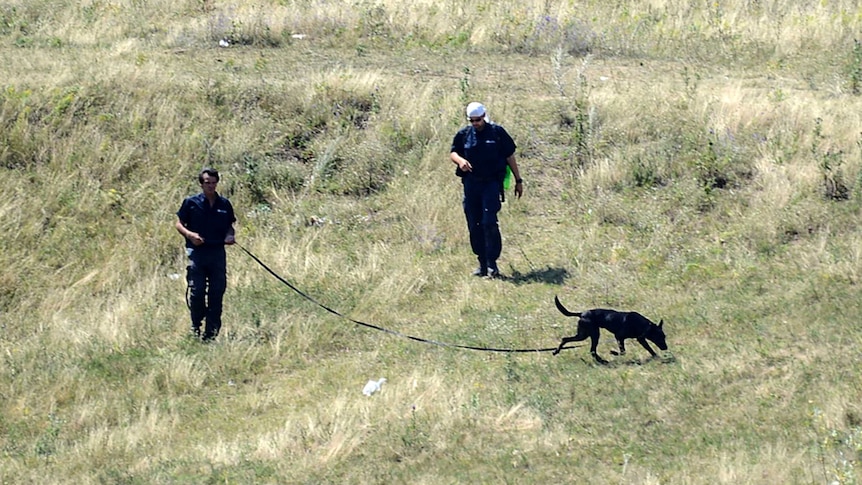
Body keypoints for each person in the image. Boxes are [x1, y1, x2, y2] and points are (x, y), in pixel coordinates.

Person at [450, 102, 523, 278]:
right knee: (473, 223)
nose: (476, 123)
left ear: (484, 116)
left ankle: (492, 263)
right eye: (472, 120)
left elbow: (509, 156)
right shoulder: (464, 135)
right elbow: (453, 152)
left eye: (478, 119)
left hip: (491, 184)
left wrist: (518, 180)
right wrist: (460, 161)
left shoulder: (497, 133)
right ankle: (481, 262)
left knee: (489, 221)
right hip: (471, 184)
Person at [175, 168, 237, 341]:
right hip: (197, 253)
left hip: (217, 253)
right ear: (201, 184)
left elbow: (229, 226)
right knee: (197, 291)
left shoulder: (224, 204)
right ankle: (196, 325)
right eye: (207, 183)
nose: (210, 186)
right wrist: (190, 235)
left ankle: (211, 333)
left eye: (213, 182)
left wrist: (230, 235)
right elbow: (179, 224)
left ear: (217, 183)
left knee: (217, 292)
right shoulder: (191, 202)